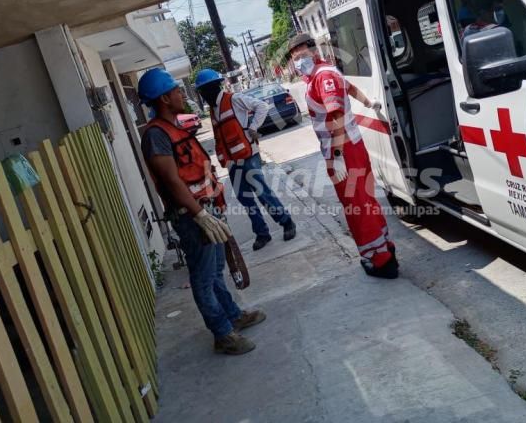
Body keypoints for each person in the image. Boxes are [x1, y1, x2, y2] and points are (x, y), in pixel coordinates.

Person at [137, 68, 265, 356]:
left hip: (206, 209)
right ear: (164, 98)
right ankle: (222, 334)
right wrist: (200, 215)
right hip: (192, 216)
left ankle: (233, 316)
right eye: (176, 90)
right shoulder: (156, 135)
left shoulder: (175, 127)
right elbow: (172, 180)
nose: (181, 94)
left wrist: (212, 208)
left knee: (216, 270)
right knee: (203, 278)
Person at [287, 33, 399, 279]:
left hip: (344, 150)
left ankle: (380, 260)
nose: (298, 60)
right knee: (365, 201)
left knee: (357, 206)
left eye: (302, 54)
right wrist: (369, 103)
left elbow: (336, 116)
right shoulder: (324, 73)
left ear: (313, 51)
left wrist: (337, 155)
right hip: (349, 147)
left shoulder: (323, 76)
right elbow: (351, 88)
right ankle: (384, 248)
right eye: (294, 58)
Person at [194, 69, 297, 251]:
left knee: (262, 192)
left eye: (203, 91)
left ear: (213, 88)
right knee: (244, 198)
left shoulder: (234, 99)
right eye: (201, 92)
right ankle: (262, 233)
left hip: (248, 155)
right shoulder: (213, 109)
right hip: (233, 161)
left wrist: (253, 127)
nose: (203, 95)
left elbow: (262, 106)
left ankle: (286, 222)